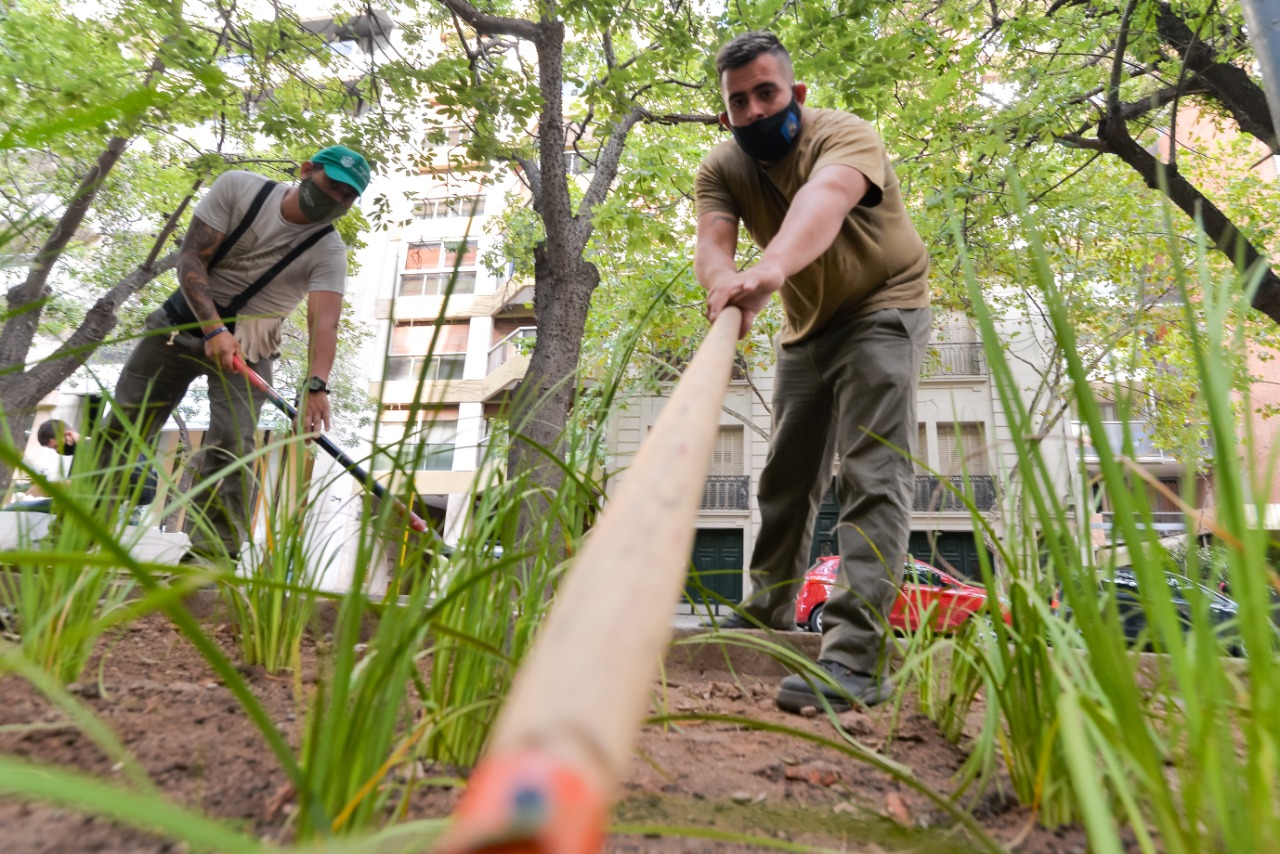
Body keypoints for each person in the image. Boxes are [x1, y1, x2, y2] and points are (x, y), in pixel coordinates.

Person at [695, 32, 932, 712]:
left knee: (871, 474)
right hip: (807, 329)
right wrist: (722, 286)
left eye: (766, 93)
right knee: (785, 477)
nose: (754, 109)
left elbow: (821, 201)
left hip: (884, 307)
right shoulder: (722, 167)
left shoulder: (844, 135)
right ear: (725, 113)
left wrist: (768, 270)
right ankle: (767, 609)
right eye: (739, 101)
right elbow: (713, 243)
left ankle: (855, 659)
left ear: (795, 93)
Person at [93, 145, 371, 563]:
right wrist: (215, 329)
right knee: (124, 427)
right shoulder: (239, 188)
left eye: (347, 196)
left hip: (252, 345)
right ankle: (76, 530)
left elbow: (324, 323)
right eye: (331, 184)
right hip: (179, 325)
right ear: (307, 170)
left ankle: (213, 557)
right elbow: (191, 259)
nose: (336, 198)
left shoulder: (328, 250)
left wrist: (317, 386)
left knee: (233, 446)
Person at [2, 419, 156, 514]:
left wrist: (43, 489)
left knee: (15, 508)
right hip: (116, 501)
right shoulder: (94, 447)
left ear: (69, 435)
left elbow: (78, 485)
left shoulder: (90, 449)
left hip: (104, 505)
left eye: (56, 446)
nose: (58, 451)